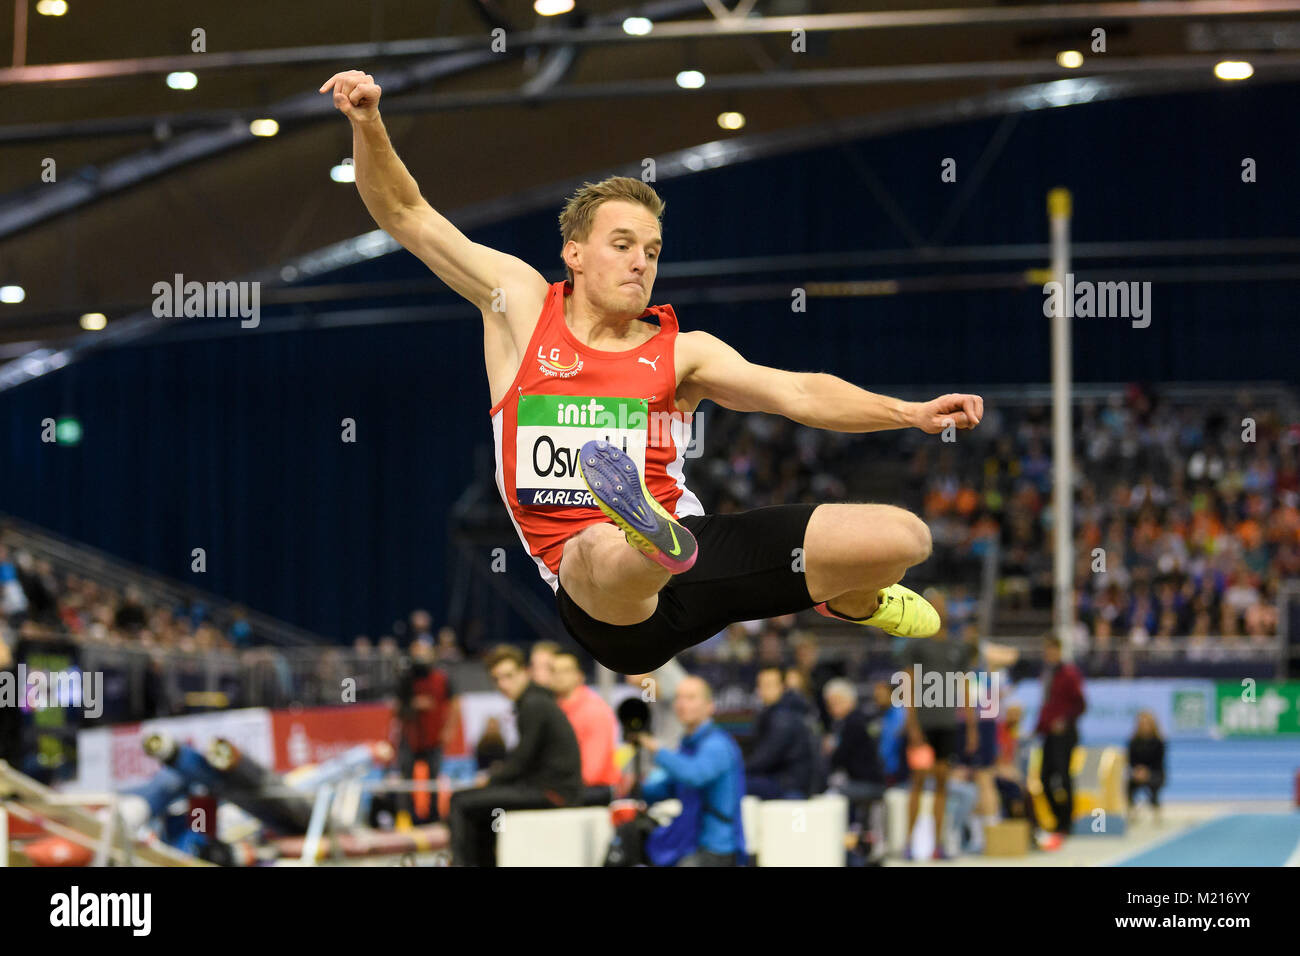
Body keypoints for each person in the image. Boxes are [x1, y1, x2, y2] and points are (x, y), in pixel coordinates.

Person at [321, 70, 984, 676]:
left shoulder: (681, 351)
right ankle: (645, 535)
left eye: (653, 251)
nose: (642, 262)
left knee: (905, 538)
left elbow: (796, 391)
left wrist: (909, 412)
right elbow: (406, 215)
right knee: (598, 551)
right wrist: (369, 123)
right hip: (604, 606)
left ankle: (851, 599)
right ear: (573, 253)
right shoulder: (519, 305)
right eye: (623, 246)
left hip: (697, 561)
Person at [446, 646, 582, 866]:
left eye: (508, 676)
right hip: (553, 787)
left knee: (460, 801)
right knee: (479, 807)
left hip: (553, 791)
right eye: (497, 679)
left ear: (524, 672)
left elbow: (522, 760)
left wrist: (490, 780)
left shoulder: (533, 704)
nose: (503, 685)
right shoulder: (537, 700)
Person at [898, 590, 977, 860]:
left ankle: (937, 845)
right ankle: (909, 845)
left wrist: (971, 727)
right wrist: (912, 726)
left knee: (942, 784)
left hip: (947, 726)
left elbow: (964, 688)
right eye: (934, 603)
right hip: (923, 727)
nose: (939, 608)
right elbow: (907, 684)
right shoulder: (916, 645)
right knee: (919, 782)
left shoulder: (957, 648)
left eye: (943, 604)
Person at [638, 676, 746, 866]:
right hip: (690, 843)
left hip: (716, 849)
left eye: (691, 698)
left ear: (710, 706)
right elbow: (669, 787)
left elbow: (694, 775)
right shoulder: (688, 745)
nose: (682, 704)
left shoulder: (717, 745)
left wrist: (656, 749)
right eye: (679, 698)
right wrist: (636, 788)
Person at [822, 678, 886, 861]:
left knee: (831, 796)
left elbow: (839, 758)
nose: (832, 708)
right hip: (862, 781)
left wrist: (830, 751)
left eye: (837, 702)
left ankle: (847, 849)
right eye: (830, 703)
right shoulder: (847, 722)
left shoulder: (854, 723)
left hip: (868, 783)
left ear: (849, 701)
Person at [1035, 635, 1086, 849]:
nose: (1049, 654)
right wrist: (1039, 727)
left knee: (1063, 777)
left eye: (1052, 650)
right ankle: (1058, 818)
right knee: (1044, 778)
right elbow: (1047, 704)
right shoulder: (1047, 673)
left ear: (1059, 650)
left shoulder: (1069, 673)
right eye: (1047, 651)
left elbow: (1081, 704)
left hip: (1065, 734)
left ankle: (1066, 823)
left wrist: (1064, 721)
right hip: (1048, 733)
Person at [550, 651, 620, 801]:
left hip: (593, 791)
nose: (559, 676)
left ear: (579, 675)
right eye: (554, 671)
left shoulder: (593, 711)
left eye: (566, 670)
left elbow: (590, 772)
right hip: (571, 788)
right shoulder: (556, 709)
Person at [745, 666, 815, 800]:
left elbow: (767, 756)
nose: (762, 690)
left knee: (735, 783)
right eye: (760, 685)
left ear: (782, 687)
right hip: (782, 779)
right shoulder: (773, 713)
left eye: (769, 685)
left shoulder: (783, 717)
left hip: (789, 784)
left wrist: (738, 770)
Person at [1127, 710, 1166, 822]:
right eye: (1141, 723)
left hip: (1155, 773)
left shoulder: (1159, 742)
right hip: (1137, 773)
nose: (1144, 726)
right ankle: (1131, 809)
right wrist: (1138, 771)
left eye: (1146, 723)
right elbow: (1131, 761)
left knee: (1153, 783)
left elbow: (1159, 763)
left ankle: (1155, 807)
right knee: (1128, 783)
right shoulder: (1133, 742)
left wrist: (1147, 772)